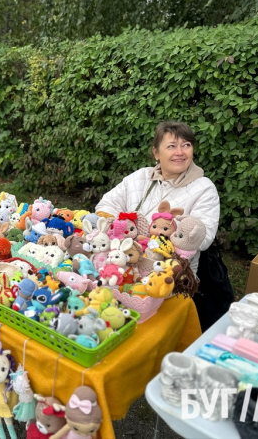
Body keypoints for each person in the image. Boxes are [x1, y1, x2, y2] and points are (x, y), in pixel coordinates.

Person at [95, 121, 231, 330]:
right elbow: (106, 205)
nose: (180, 152)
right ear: (156, 153)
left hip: (169, 280)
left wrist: (170, 234)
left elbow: (202, 238)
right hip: (123, 266)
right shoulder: (140, 177)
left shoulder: (204, 188)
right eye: (171, 146)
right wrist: (124, 233)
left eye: (186, 145)